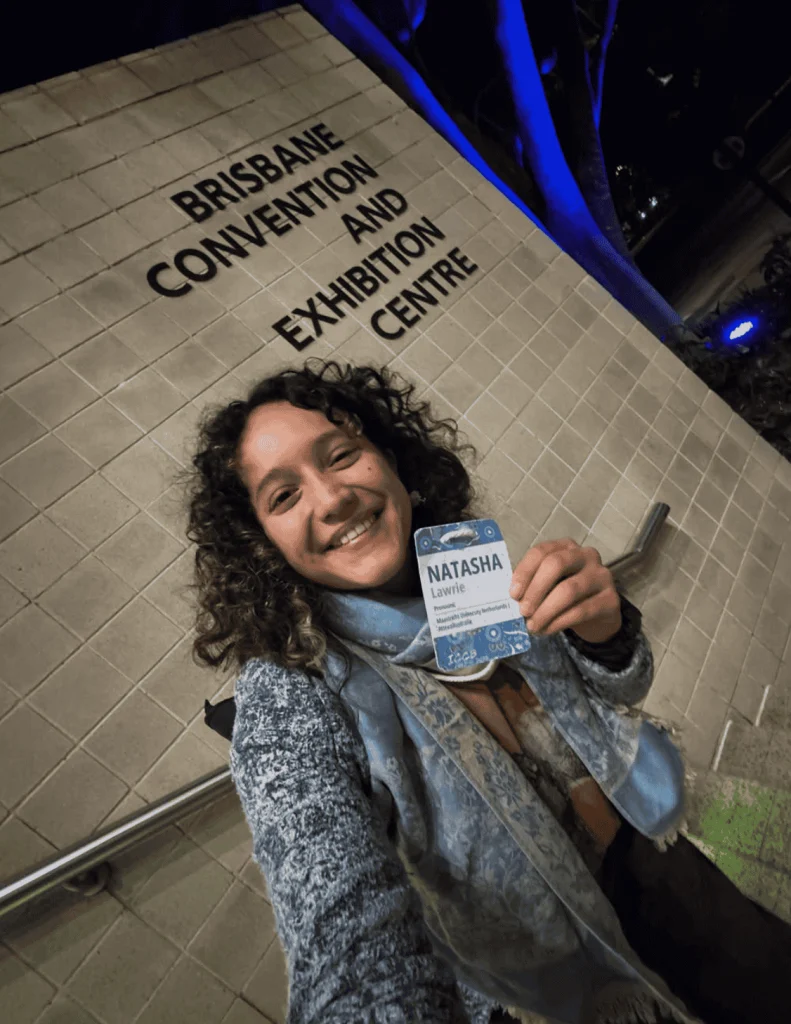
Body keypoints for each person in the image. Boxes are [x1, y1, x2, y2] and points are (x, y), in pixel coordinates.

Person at [186, 358, 791, 1024]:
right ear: (262, 544)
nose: (331, 499)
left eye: (341, 456)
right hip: (543, 973)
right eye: (283, 496)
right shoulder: (291, 692)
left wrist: (606, 634)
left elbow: (618, 687)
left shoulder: (466, 572)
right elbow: (345, 930)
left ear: (389, 461)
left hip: (652, 854)